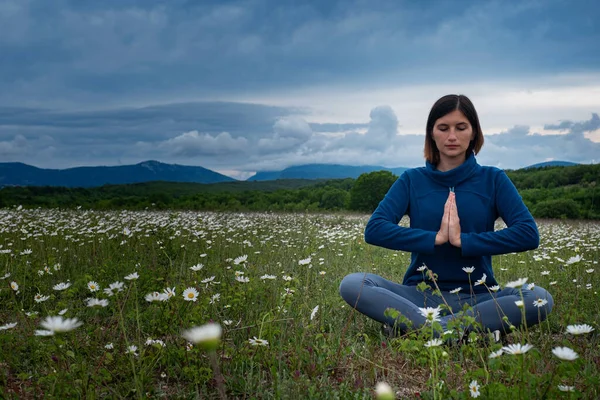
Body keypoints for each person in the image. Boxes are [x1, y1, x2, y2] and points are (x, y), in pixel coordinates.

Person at [339, 94, 553, 340]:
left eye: (461, 128)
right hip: (420, 295)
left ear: (473, 133)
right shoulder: (412, 180)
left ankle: (420, 328)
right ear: (432, 133)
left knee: (539, 298)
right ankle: (459, 330)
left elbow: (528, 233)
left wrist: (466, 241)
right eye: (443, 128)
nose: (452, 136)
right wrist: (435, 238)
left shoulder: (493, 179)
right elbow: (375, 229)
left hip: (480, 296)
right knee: (354, 284)